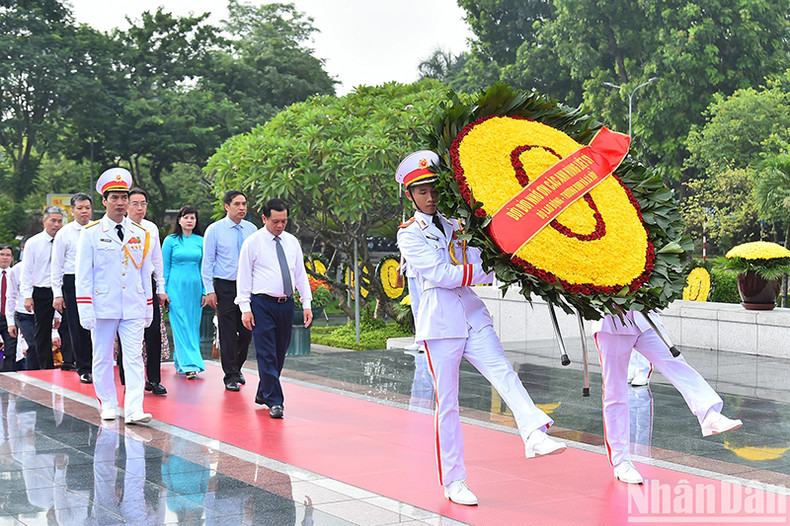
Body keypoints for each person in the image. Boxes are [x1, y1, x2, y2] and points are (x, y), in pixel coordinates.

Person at [395, 151, 565, 506]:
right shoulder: (409, 235)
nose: (429, 197)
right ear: (409, 195)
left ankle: (533, 431)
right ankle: (454, 481)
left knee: (504, 372)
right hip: (440, 326)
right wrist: (487, 272)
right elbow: (442, 274)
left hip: (471, 314)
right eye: (421, 192)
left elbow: (475, 260)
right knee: (449, 406)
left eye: (432, 190)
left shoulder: (457, 225)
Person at [592, 310, 742, 484]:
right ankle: (620, 461)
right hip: (611, 324)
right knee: (615, 391)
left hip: (644, 319)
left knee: (675, 363)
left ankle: (709, 414)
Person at [75, 167, 154, 425]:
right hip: (103, 305)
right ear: (104, 200)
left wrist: (148, 307)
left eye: (124, 197)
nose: (120, 203)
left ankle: (133, 408)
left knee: (133, 357)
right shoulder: (91, 233)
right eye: (115, 197)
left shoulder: (141, 234)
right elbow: (83, 275)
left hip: (132, 304)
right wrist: (85, 309)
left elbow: (145, 274)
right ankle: (107, 403)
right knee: (103, 356)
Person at [236, 198, 312, 419]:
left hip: (285, 304)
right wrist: (245, 308)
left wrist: (306, 303)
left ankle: (264, 392)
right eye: (275, 221)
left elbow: (300, 274)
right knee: (266, 353)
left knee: (279, 352)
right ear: (264, 218)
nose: (280, 226)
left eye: (284, 221)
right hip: (262, 304)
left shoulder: (291, 242)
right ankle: (276, 402)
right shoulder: (253, 242)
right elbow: (244, 276)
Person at [202, 191, 257, 391]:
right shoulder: (215, 230)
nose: (242, 208)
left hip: (248, 287)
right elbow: (207, 262)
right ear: (227, 206)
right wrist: (209, 290)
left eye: (244, 204)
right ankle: (230, 375)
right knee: (227, 332)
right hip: (224, 286)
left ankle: (237, 366)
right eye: (237, 204)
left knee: (246, 332)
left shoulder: (252, 229)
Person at [122, 188, 169, 396]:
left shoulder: (151, 228)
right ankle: (128, 381)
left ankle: (154, 379)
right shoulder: (120, 228)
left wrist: (160, 287)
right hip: (125, 284)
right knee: (126, 333)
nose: (140, 208)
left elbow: (157, 260)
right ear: (126, 205)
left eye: (143, 203)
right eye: (135, 203)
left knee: (153, 333)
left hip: (147, 284)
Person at [51, 193, 95, 383]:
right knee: (77, 326)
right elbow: (56, 265)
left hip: (97, 281)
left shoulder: (98, 229)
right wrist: (57, 294)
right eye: (80, 208)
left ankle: (99, 364)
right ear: (72, 210)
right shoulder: (65, 233)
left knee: (99, 325)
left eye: (87, 207)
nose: (84, 211)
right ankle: (84, 368)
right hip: (72, 281)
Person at [162, 205, 206, 379]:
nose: (189, 221)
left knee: (192, 326)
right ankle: (190, 364)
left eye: (192, 218)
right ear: (179, 220)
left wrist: (204, 291)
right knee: (180, 325)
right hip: (175, 288)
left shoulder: (201, 241)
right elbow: (165, 268)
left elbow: (204, 269)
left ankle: (181, 362)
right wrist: (163, 291)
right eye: (186, 217)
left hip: (195, 288)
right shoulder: (170, 241)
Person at [20, 206, 64, 370]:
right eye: (53, 220)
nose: (57, 224)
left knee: (70, 326)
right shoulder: (33, 243)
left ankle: (69, 362)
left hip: (63, 288)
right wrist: (27, 295)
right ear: (45, 221)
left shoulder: (65, 240)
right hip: (42, 290)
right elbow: (27, 271)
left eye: (60, 221)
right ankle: (46, 367)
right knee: (42, 331)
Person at [0, 244, 17, 371]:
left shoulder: (15, 273)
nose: (5, 258)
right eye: (2, 254)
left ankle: (8, 378)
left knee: (11, 351)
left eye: (8, 255)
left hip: (9, 316)